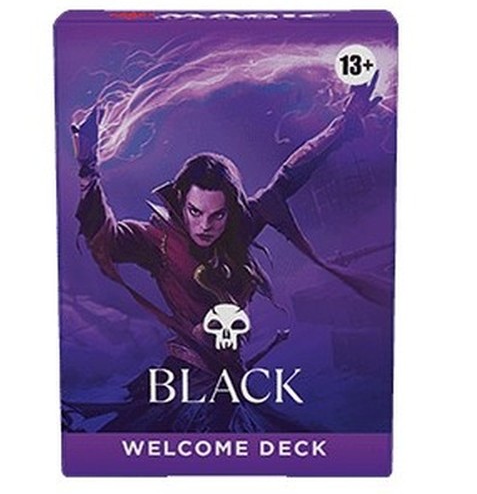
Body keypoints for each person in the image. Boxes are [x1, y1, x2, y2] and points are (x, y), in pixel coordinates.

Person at [67, 72, 388, 432]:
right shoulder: (158, 240)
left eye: (217, 215)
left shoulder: (238, 228)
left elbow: (289, 176)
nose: (205, 225)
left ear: (230, 211)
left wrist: (344, 124)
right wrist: (88, 171)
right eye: (195, 212)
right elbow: (107, 236)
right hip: (186, 378)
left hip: (227, 379)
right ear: (181, 202)